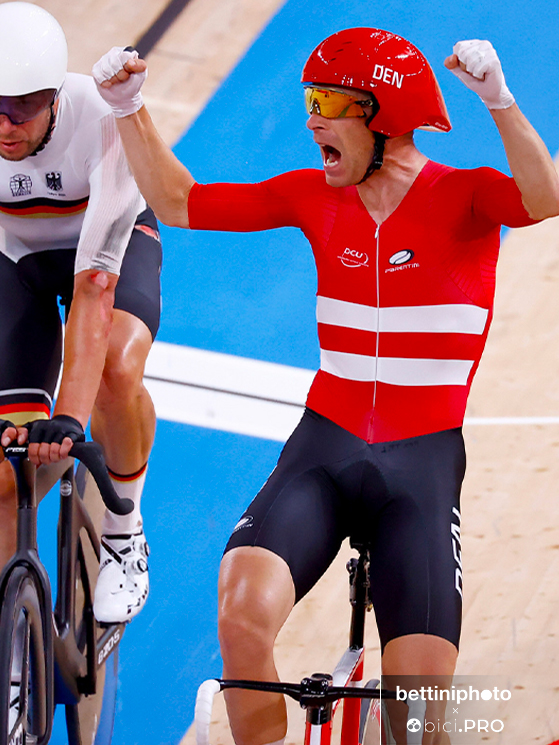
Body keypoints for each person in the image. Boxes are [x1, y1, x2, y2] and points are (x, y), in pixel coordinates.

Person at [92, 28, 559, 744]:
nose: (311, 120)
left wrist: (498, 101)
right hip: (323, 449)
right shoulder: (314, 195)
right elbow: (180, 202)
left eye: (330, 103)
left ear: (385, 116)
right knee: (241, 616)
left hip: (421, 468)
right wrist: (130, 108)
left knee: (418, 720)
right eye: (309, 100)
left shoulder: (464, 196)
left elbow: (545, 196)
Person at [0, 2, 161, 624]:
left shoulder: (101, 120)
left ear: (54, 98)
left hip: (110, 250)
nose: (7, 124)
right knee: (6, 480)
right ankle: (13, 641)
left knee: (114, 368)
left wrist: (68, 415)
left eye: (24, 107)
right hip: (16, 260)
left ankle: (124, 528)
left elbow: (95, 285)